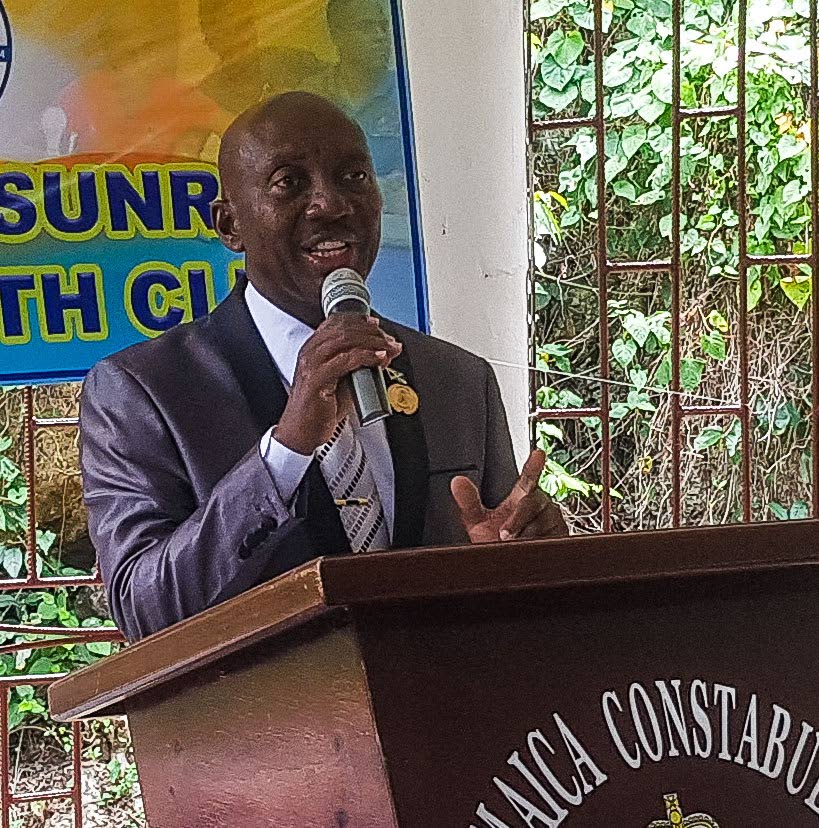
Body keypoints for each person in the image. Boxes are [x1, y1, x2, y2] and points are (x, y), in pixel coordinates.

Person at [79, 93, 568, 642]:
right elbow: (144, 610)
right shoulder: (144, 391)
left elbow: (510, 590)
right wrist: (285, 451)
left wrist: (522, 560)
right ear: (229, 225)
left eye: (353, 176)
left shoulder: (457, 380)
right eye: (288, 183)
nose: (330, 205)